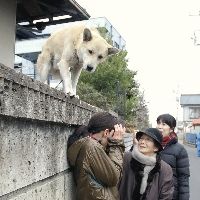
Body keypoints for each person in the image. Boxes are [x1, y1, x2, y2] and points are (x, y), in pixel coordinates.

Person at [67, 112, 125, 200]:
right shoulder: (92, 147)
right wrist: (116, 144)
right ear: (106, 132)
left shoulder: (91, 145)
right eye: (114, 134)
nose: (115, 137)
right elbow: (114, 177)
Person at [119, 128, 174, 200]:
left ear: (156, 148)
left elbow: (166, 196)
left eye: (148, 139)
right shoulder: (126, 158)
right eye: (141, 138)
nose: (142, 142)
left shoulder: (164, 168)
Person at [156, 114, 190, 200]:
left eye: (164, 124)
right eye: (158, 123)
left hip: (170, 195)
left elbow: (183, 178)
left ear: (171, 129)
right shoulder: (151, 145)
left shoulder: (179, 150)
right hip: (152, 193)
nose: (160, 127)